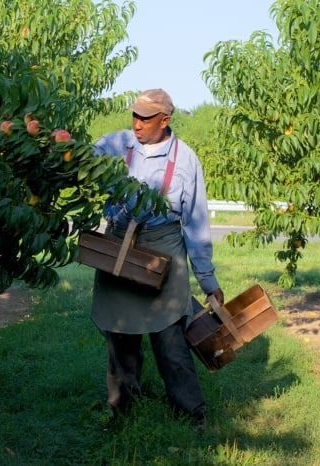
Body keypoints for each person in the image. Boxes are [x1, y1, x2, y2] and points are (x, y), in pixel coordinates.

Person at [90, 88, 224, 428]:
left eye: (145, 118)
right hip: (120, 247)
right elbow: (81, 162)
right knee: (119, 335)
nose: (136, 124)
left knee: (170, 337)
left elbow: (195, 223)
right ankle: (123, 409)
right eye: (134, 115)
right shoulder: (116, 145)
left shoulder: (185, 160)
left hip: (163, 248)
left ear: (165, 121)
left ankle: (192, 414)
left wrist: (207, 280)